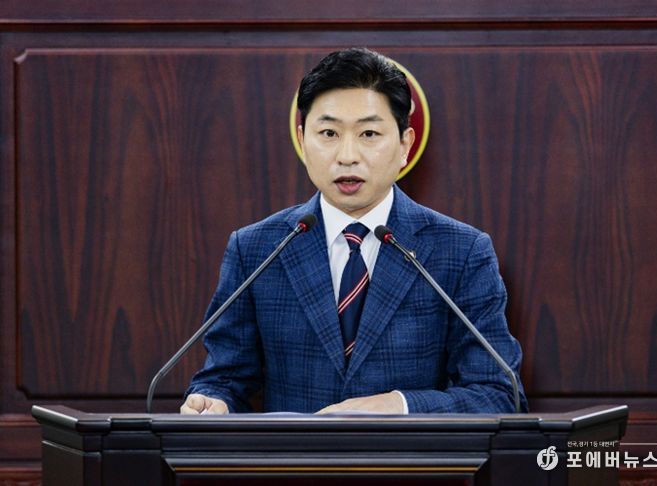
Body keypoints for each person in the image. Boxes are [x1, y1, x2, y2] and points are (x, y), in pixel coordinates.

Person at [181, 47, 528, 415]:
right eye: (329, 133)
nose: (347, 155)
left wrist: (399, 406)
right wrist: (213, 402)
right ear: (302, 139)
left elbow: (499, 395)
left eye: (369, 133)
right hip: (294, 454)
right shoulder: (256, 248)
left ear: (405, 145)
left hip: (413, 454)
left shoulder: (461, 251)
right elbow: (225, 378)